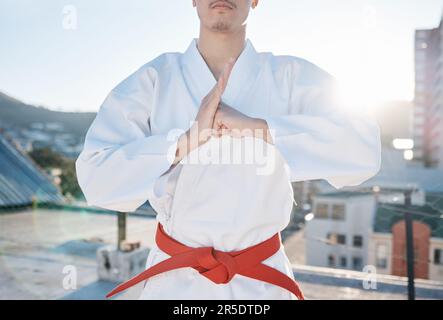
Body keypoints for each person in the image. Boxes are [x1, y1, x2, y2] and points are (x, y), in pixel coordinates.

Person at [75, 0, 381, 300]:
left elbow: (364, 150)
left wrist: (260, 128)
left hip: (261, 282)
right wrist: (185, 141)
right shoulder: (155, 80)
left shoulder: (290, 77)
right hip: (174, 283)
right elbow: (95, 177)